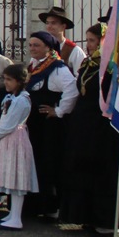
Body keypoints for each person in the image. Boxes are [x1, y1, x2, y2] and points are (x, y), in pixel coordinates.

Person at [59, 22, 119, 236]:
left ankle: (106, 219)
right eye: (88, 41)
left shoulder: (113, 67)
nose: (89, 45)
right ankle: (86, 216)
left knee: (103, 172)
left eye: (93, 41)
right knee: (82, 170)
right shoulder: (88, 64)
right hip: (84, 126)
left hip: (105, 128)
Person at [25, 30, 78, 217]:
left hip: (49, 126)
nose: (32, 48)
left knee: (49, 162)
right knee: (35, 161)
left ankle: (51, 207)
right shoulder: (33, 65)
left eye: (37, 45)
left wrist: (59, 110)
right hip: (35, 125)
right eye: (30, 45)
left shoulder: (57, 68)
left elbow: (72, 90)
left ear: (48, 48)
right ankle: (35, 204)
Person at [0, 64, 38, 231]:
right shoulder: (10, 98)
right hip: (8, 140)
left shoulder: (22, 100)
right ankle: (12, 214)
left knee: (17, 176)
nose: (6, 83)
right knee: (10, 175)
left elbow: (9, 123)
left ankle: (16, 217)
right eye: (5, 79)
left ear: (19, 81)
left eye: (9, 80)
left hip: (15, 139)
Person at [40, 6, 85, 76]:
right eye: (47, 23)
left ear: (63, 26)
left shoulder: (74, 50)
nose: (49, 26)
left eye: (53, 23)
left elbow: (80, 77)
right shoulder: (41, 48)